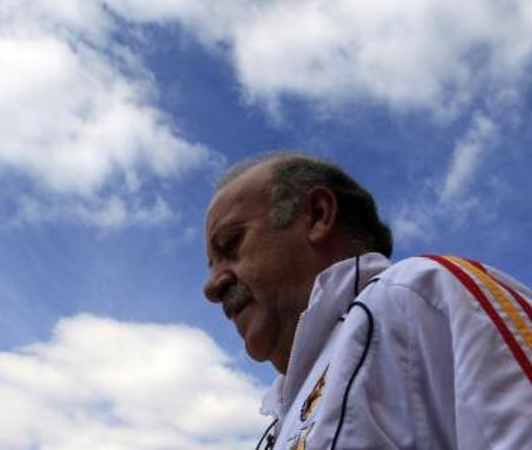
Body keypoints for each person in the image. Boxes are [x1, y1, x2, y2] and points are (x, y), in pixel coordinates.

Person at [203, 153, 532, 449]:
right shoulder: (283, 412)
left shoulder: (419, 293)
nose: (212, 286)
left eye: (231, 244)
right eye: (212, 264)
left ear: (318, 216)